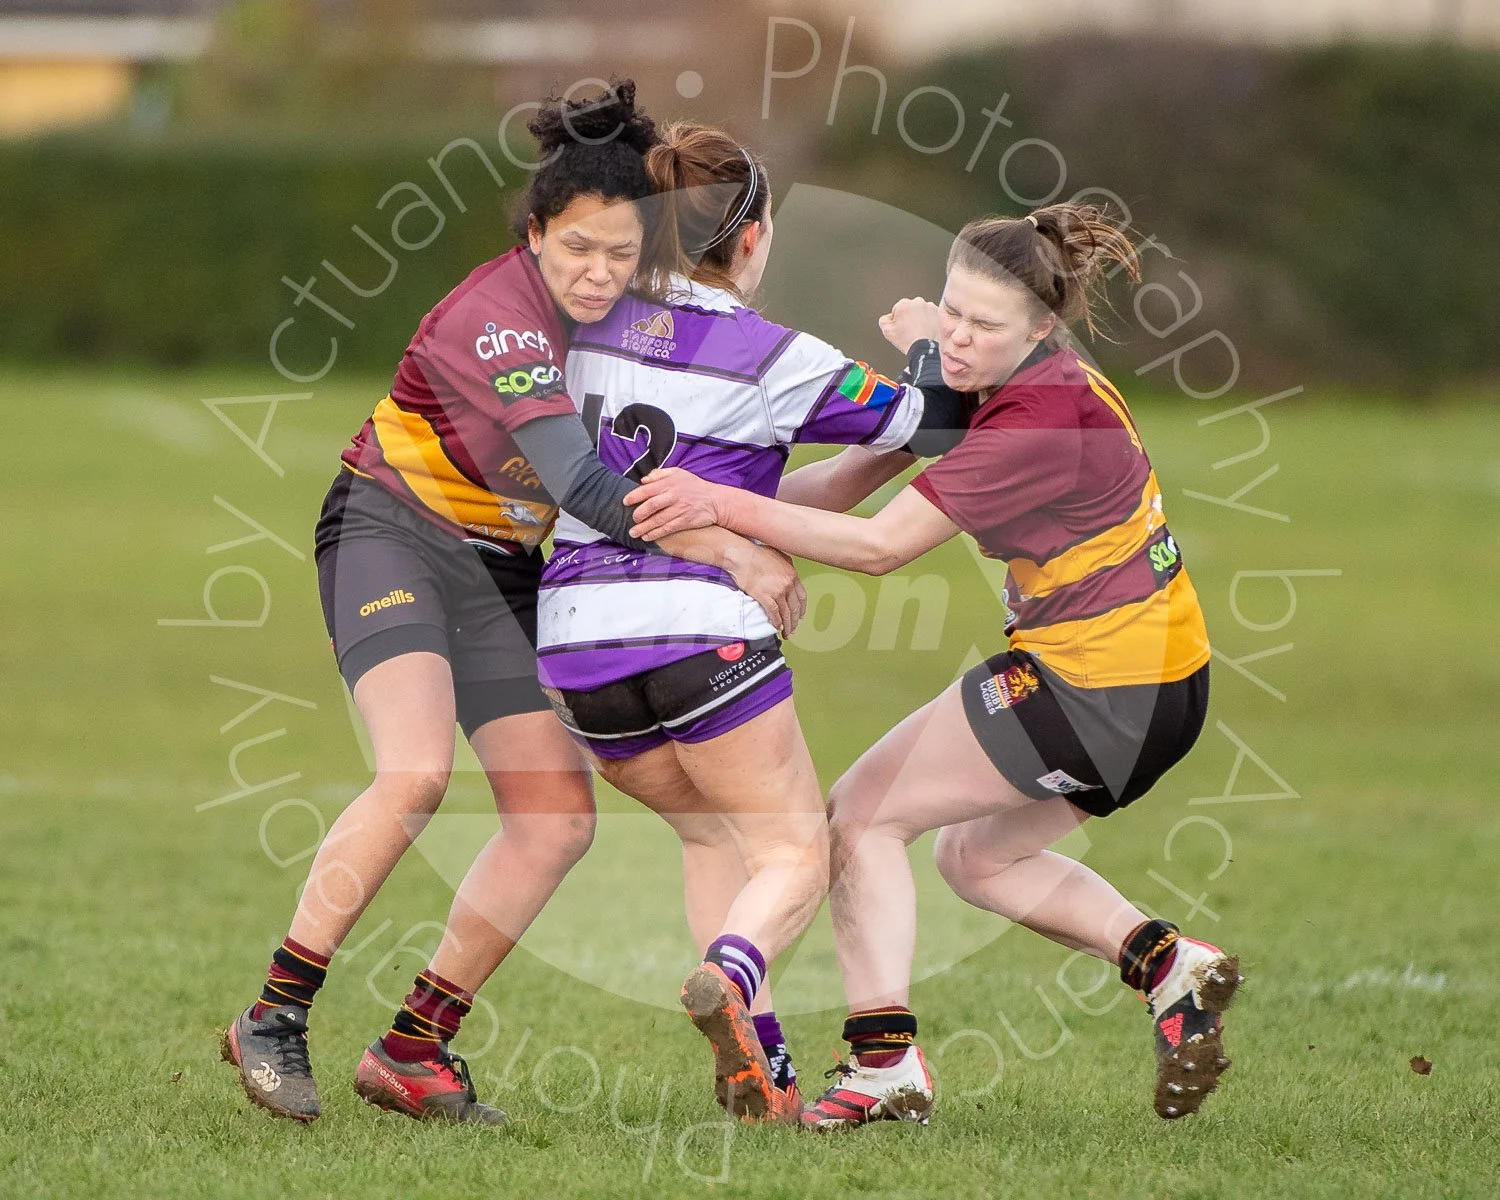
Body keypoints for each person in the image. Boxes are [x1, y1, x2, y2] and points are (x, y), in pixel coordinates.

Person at [219, 82, 803, 1126]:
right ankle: (274, 1012)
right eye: (575, 248)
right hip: (390, 531)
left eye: (621, 255)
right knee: (416, 773)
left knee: (554, 818)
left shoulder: (629, 316)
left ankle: (416, 1046)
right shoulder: (500, 321)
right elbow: (585, 488)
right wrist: (730, 548)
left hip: (500, 569)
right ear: (535, 233)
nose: (597, 273)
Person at [625, 203, 1241, 1127]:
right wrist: (707, 524)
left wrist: (717, 502)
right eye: (950, 309)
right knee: (978, 858)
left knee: (860, 819)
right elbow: (853, 471)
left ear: (1041, 330)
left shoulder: (1033, 420)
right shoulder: (1031, 380)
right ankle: (1167, 966)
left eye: (983, 326)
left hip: (1099, 683)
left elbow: (877, 546)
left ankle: (885, 1065)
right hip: (1159, 682)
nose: (958, 337)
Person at [534, 121, 969, 1123]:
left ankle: (762, 1068)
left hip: (576, 644)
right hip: (699, 630)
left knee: (706, 836)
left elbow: (765, 489)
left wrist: (877, 461)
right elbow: (936, 420)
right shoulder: (770, 352)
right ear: (753, 236)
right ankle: (733, 974)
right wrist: (936, 347)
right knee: (795, 854)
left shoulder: (583, 326)